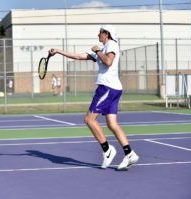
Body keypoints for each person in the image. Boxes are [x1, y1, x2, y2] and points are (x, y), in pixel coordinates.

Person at [49, 25, 139, 170]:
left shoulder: (111, 45)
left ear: (106, 34)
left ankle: (107, 150)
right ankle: (130, 154)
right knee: (112, 124)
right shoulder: (104, 49)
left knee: (89, 119)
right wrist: (58, 51)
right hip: (114, 88)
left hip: (107, 88)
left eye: (100, 32)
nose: (98, 34)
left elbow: (108, 62)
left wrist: (97, 50)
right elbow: (78, 56)